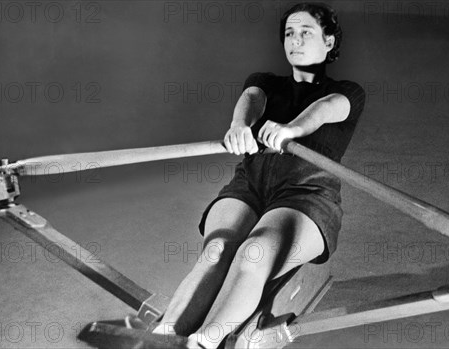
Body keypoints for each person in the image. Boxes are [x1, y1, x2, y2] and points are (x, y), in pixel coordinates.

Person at [153, 3, 365, 348]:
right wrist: (240, 126)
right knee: (217, 250)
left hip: (308, 195)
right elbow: (251, 98)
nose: (295, 41)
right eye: (289, 34)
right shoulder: (265, 82)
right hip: (250, 186)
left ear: (328, 42)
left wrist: (292, 129)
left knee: (254, 251)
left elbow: (325, 109)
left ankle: (203, 343)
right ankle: (161, 337)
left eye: (306, 32)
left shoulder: (350, 92)